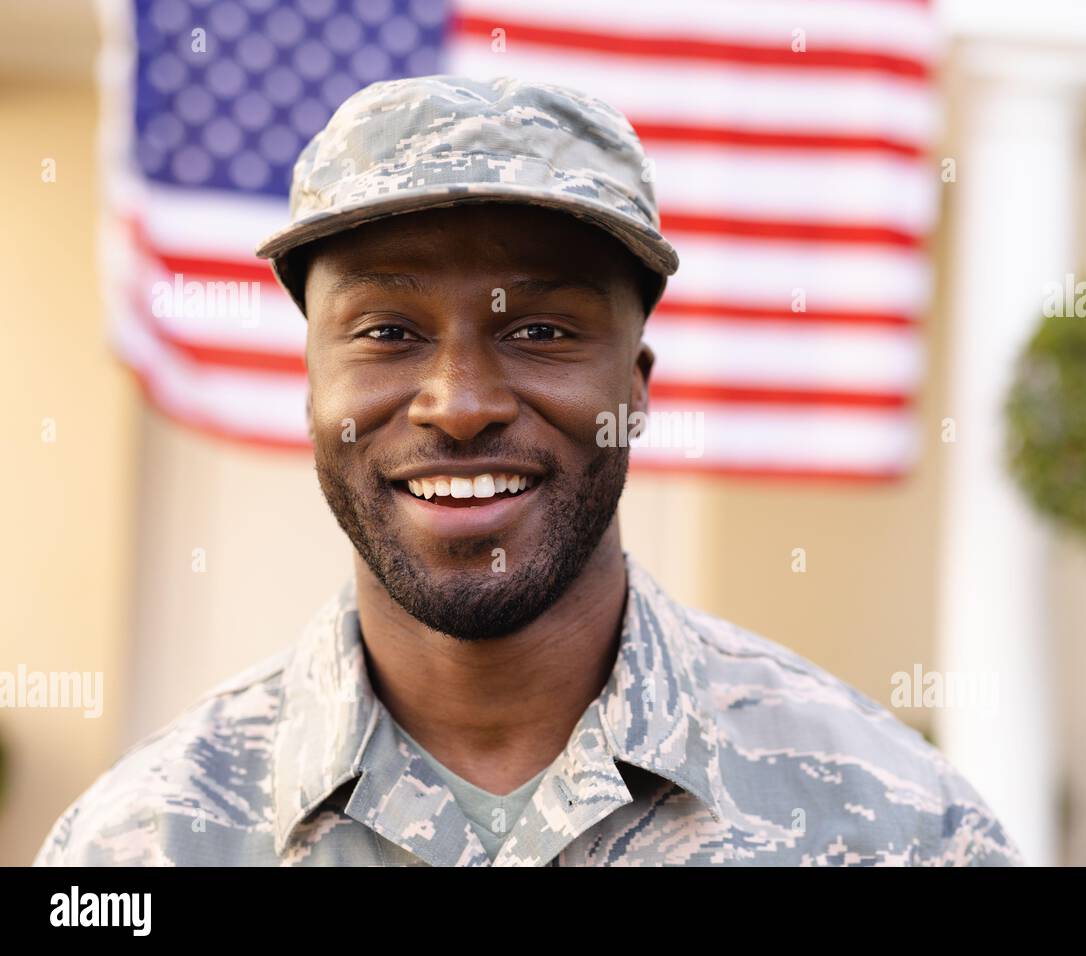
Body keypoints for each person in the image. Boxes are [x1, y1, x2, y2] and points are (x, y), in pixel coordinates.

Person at [35, 75, 1022, 866]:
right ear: (312, 391)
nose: (459, 403)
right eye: (386, 331)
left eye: (541, 330)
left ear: (635, 389)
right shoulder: (142, 842)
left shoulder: (899, 827)